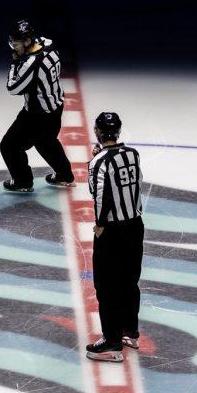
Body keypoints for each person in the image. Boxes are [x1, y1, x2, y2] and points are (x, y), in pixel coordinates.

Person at [85, 112, 144, 363]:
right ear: (118, 131)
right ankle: (130, 331)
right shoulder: (132, 154)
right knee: (130, 281)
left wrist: (100, 225)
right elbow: (137, 182)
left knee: (107, 286)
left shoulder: (98, 161)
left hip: (112, 230)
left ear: (98, 132)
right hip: (135, 224)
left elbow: (98, 194)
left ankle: (112, 341)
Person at [0, 19, 73, 193]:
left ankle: (22, 181)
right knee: (46, 141)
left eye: (16, 44)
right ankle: (64, 175)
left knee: (9, 146)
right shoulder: (48, 43)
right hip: (55, 105)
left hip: (37, 115)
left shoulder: (31, 63)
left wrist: (14, 63)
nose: (13, 48)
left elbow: (13, 87)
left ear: (26, 41)